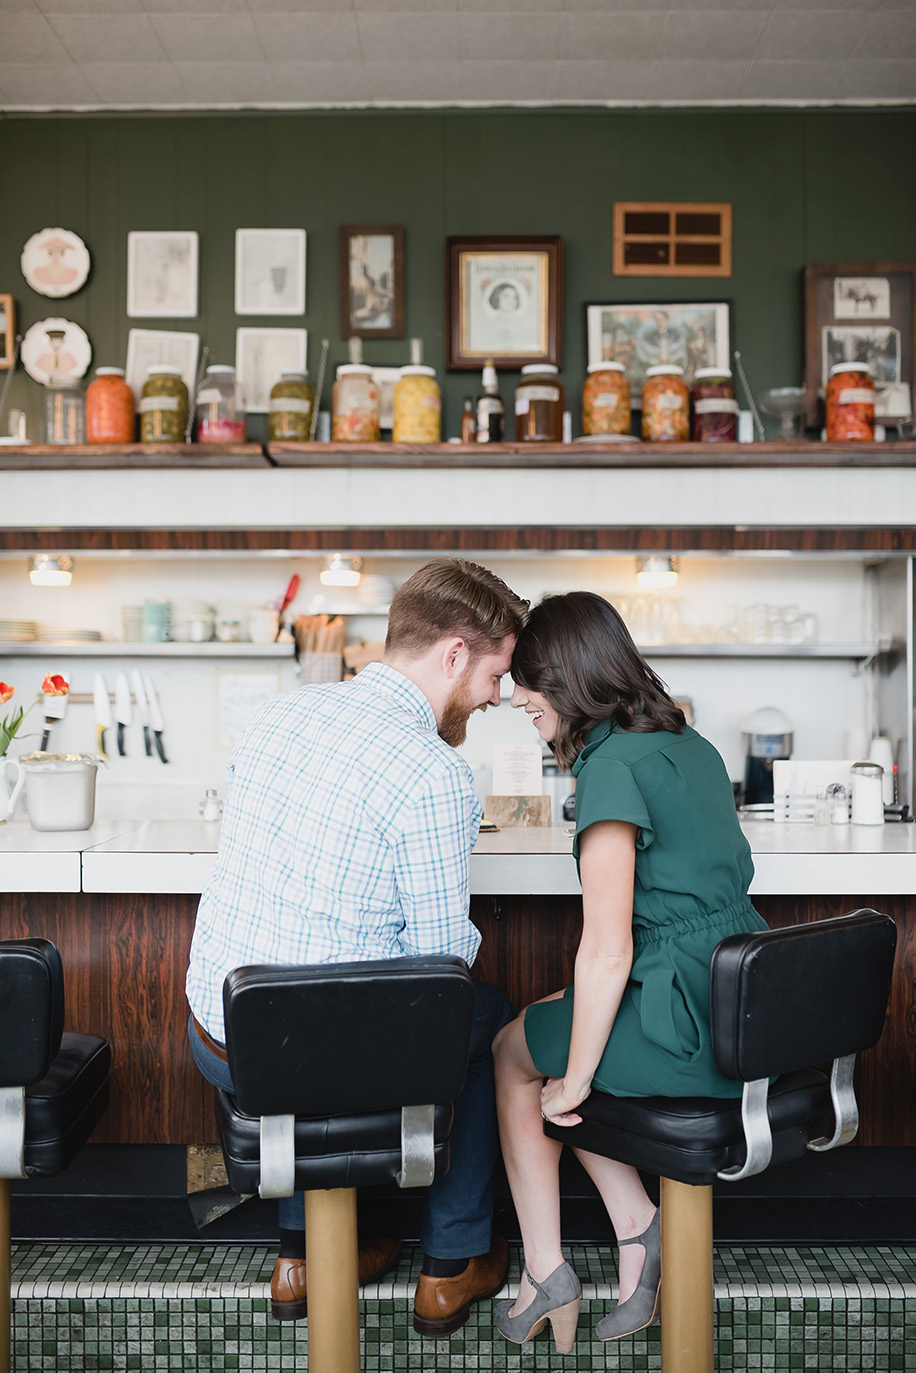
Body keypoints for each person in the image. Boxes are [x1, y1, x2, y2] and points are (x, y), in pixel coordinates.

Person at [186, 557, 529, 1335]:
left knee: (306, 999)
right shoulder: (434, 773)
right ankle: (452, 1262)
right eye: (495, 676)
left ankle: (300, 1254)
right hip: (307, 1055)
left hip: (219, 1036)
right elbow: (441, 970)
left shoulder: (279, 715)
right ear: (451, 655)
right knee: (485, 1017)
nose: (495, 698)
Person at [491, 591, 768, 1351]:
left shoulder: (610, 770)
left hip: (682, 1021)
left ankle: (548, 1267)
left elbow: (608, 948)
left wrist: (573, 1079)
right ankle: (638, 1231)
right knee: (559, 1021)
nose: (516, 698)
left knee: (519, 1055)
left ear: (569, 678)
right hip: (739, 1004)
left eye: (526, 680)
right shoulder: (688, 741)